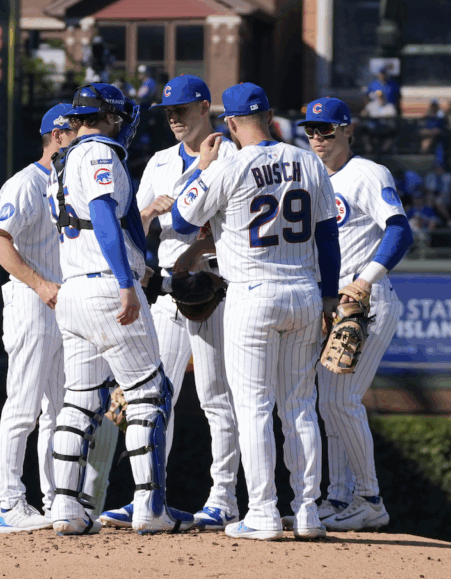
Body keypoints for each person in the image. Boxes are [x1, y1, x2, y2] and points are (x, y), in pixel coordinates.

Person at [172, 82, 341, 540]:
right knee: (301, 407)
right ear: (269, 116)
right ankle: (308, 512)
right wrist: (329, 296)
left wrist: (202, 167)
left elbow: (181, 221)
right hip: (304, 291)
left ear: (228, 123)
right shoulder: (308, 160)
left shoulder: (230, 164)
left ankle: (263, 512)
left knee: (253, 408)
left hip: (252, 292)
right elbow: (328, 236)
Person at [49, 83, 194, 535]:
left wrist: (144, 272)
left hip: (74, 290)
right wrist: (126, 281)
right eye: (119, 115)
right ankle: (150, 507)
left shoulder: (68, 155)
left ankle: (65, 508)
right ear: (110, 115)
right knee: (150, 393)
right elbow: (103, 215)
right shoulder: (98, 153)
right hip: (104, 288)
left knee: (80, 400)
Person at [100, 75, 240, 531]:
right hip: (166, 288)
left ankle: (222, 500)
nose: (175, 118)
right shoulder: (159, 161)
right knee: (157, 396)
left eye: (182, 109)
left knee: (217, 396)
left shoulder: (230, 153)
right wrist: (148, 213)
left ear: (205, 107)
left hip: (214, 286)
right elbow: (133, 229)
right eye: (169, 113)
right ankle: (148, 498)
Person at [0, 104, 118, 532]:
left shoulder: (69, 182)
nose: (82, 138)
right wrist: (41, 285)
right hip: (31, 301)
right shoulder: (25, 183)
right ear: (58, 136)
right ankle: (10, 504)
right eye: (75, 131)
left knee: (61, 411)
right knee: (23, 407)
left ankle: (56, 502)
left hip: (66, 306)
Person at [286, 97, 413, 532]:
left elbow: (400, 229)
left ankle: (369, 499)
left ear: (347, 130)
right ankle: (338, 497)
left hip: (365, 302)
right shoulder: (307, 173)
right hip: (327, 304)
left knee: (340, 398)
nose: (318, 137)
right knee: (330, 401)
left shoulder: (368, 173)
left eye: (327, 129)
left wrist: (367, 279)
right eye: (311, 130)